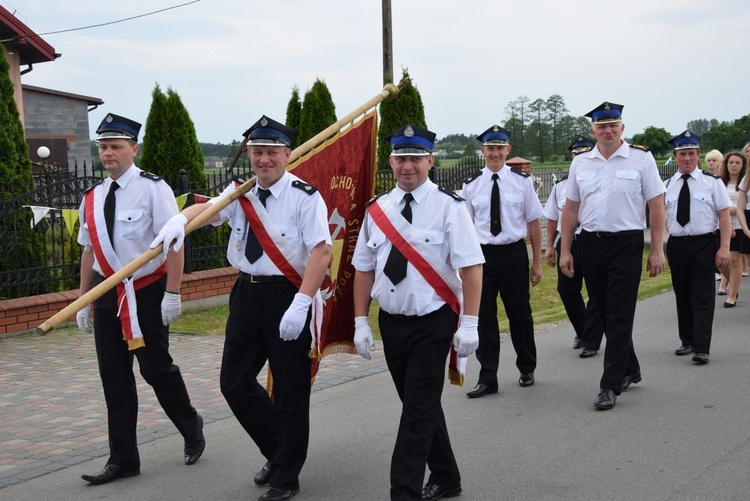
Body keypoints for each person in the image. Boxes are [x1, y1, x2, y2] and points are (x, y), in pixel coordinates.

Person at [152, 115, 332, 501]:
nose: (263, 159)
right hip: (246, 296)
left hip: (288, 295)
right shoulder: (240, 193)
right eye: (256, 152)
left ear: (287, 155)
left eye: (271, 152)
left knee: (290, 391)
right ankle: (277, 452)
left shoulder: (305, 196)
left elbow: (322, 250)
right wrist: (177, 221)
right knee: (233, 383)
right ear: (248, 155)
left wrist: (302, 302)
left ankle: (286, 475)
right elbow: (204, 210)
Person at [352, 124, 484, 501]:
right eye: (400, 159)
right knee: (419, 406)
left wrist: (471, 323)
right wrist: (361, 321)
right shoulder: (376, 210)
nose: (407, 166)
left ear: (430, 160)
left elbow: (472, 266)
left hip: (433, 323)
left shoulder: (450, 207)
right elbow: (363, 268)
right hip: (392, 323)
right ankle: (446, 477)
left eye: (415, 159)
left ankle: (403, 493)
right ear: (391, 162)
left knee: (415, 414)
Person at [76, 113, 205, 485]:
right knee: (113, 378)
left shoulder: (153, 188)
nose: (108, 153)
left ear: (134, 148)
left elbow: (173, 241)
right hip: (107, 295)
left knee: (155, 369)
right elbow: (88, 251)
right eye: (102, 147)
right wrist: (83, 300)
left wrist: (172, 293)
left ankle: (191, 425)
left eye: (116, 146)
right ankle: (123, 459)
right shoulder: (93, 197)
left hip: (146, 291)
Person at [559, 102, 666, 411]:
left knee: (619, 313)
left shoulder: (641, 159)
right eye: (601, 126)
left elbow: (657, 206)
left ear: (623, 128)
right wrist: (566, 250)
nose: (607, 130)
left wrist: (657, 248)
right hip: (590, 244)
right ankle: (630, 368)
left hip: (626, 244)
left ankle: (610, 384)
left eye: (613, 124)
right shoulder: (581, 163)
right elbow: (571, 209)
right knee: (605, 313)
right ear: (592, 130)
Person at [461, 125, 543, 397]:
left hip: (513, 253)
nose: (495, 153)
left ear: (508, 150)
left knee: (519, 313)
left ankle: (527, 367)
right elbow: (466, 228)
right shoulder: (471, 185)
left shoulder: (522, 182)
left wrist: (536, 262)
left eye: (500, 148)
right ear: (482, 151)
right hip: (482, 257)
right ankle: (487, 378)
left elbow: (533, 223)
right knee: (483, 316)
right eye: (490, 148)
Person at [663, 131, 731, 364]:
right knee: (682, 293)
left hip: (704, 243)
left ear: (698, 155)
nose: (687, 158)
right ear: (675, 156)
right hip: (676, 244)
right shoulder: (666, 186)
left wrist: (724, 247)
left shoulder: (712, 183)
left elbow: (723, 216)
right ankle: (687, 340)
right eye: (682, 154)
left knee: (702, 295)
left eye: (691, 153)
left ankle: (702, 348)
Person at [544, 136, 604, 358]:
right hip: (568, 242)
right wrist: (550, 246)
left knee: (596, 291)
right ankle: (583, 330)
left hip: (592, 241)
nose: (578, 158)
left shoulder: (598, 181)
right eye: (575, 155)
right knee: (566, 290)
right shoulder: (561, 186)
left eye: (583, 153)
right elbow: (552, 217)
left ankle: (591, 340)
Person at [717, 152, 748, 307]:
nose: (734, 165)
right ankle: (732, 284)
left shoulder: (745, 183)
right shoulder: (719, 182)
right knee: (720, 262)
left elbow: (743, 207)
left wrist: (729, 210)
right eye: (731, 162)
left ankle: (732, 295)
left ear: (743, 166)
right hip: (719, 226)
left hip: (738, 226)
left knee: (734, 260)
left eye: (737, 163)